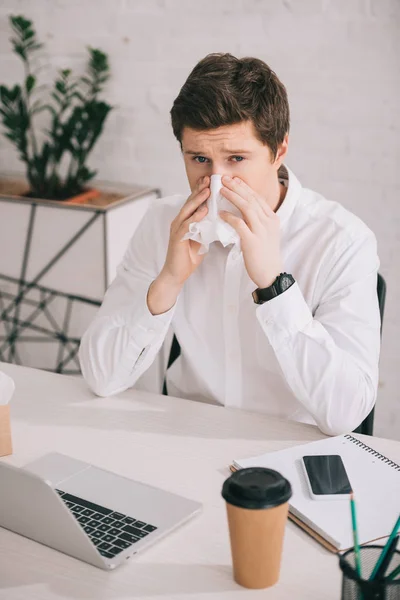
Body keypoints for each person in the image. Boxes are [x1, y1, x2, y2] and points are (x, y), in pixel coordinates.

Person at [79, 53, 380, 436]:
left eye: (237, 158)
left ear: (279, 150)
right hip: (183, 441)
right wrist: (168, 282)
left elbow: (346, 413)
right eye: (199, 159)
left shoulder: (342, 241)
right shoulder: (162, 224)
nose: (216, 182)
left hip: (293, 452)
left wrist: (274, 285)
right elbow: (101, 378)